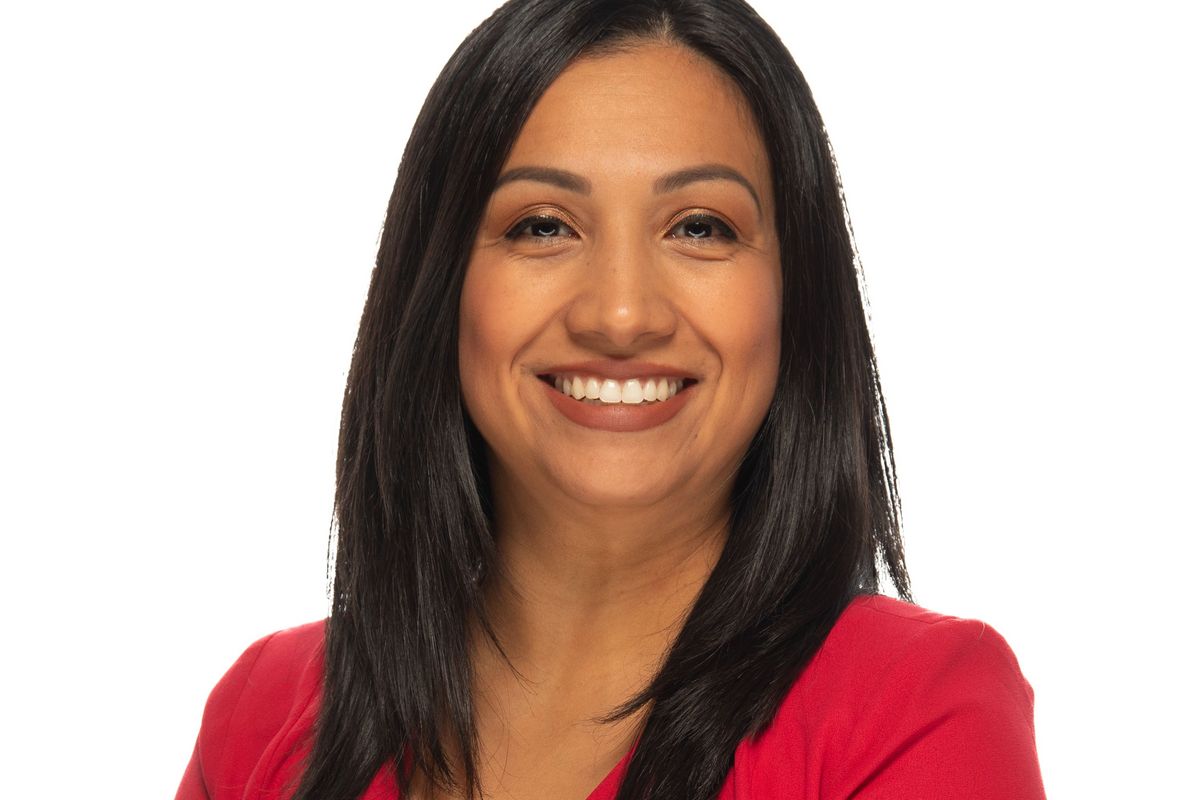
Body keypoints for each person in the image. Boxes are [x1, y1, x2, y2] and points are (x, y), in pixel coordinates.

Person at [176, 1, 1045, 798]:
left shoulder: (916, 710)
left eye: (700, 227)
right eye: (542, 226)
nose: (621, 315)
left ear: (796, 297)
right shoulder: (264, 714)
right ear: (439, 287)